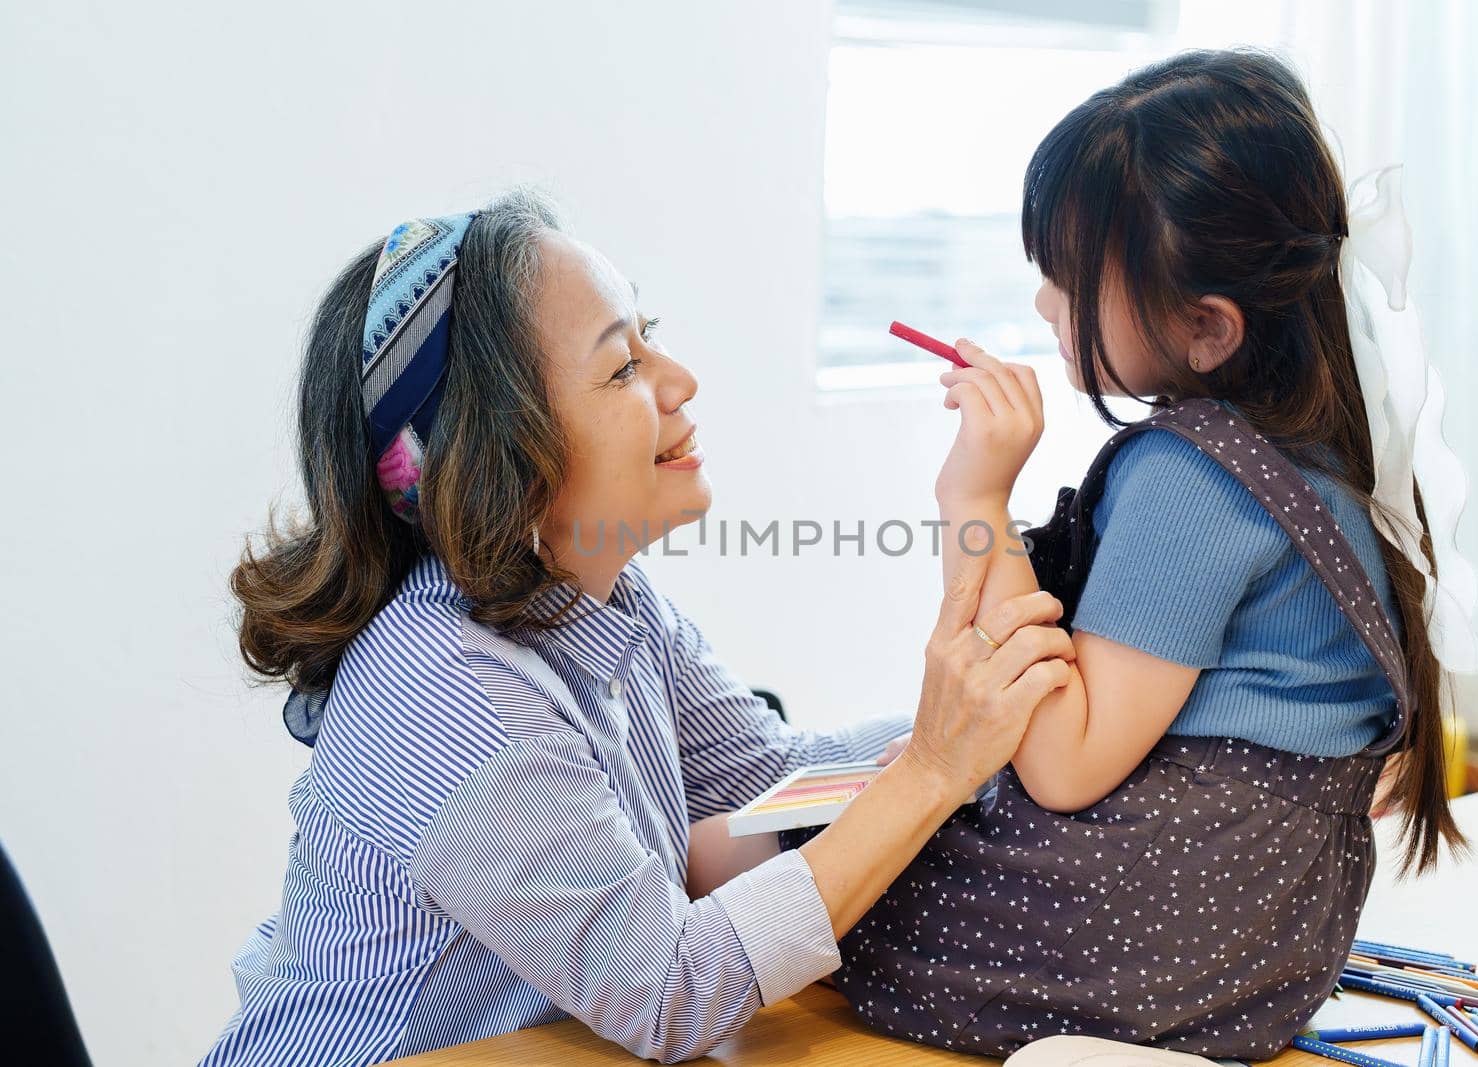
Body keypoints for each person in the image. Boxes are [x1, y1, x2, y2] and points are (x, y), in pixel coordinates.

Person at [199, 191, 1076, 1065]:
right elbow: (667, 993)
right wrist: (932, 765)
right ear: (498, 453)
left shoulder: (610, 600)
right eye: (622, 368)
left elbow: (771, 785)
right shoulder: (446, 688)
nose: (680, 381)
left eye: (648, 336)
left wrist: (976, 715)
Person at [815, 48, 1478, 1059]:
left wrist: (976, 496)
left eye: (1068, 277)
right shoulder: (1319, 452)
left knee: (771, 848)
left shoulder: (1192, 479)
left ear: (1206, 327)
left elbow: (1060, 764)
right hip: (1256, 950)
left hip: (1138, 930)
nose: (1044, 303)